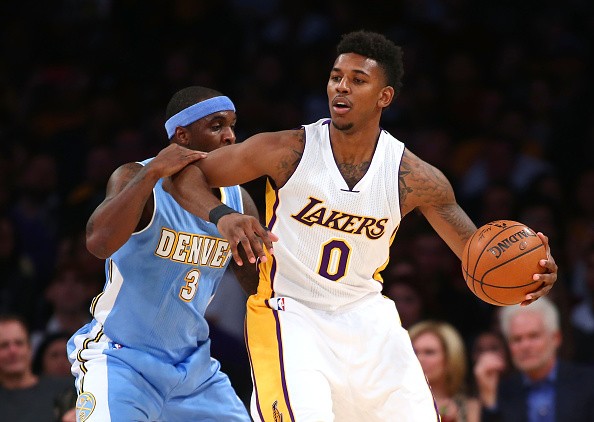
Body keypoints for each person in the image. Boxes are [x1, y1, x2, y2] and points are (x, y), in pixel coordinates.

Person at [178, 30, 558, 421]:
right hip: (292, 313)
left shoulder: (414, 177)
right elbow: (185, 174)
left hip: (369, 319)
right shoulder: (285, 150)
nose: (341, 87)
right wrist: (221, 215)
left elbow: (478, 254)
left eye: (358, 80)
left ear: (384, 97)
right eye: (336, 76)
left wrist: (533, 276)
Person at [67, 86, 276, 421]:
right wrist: (152, 173)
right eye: (216, 126)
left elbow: (258, 287)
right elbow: (98, 243)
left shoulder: (237, 200)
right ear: (182, 135)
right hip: (124, 359)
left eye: (232, 126)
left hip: (193, 369)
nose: (230, 136)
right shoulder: (135, 176)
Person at [474, 296, 594, 421]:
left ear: (556, 338)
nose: (525, 346)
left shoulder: (588, 383)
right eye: (517, 339)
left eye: (534, 336)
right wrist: (489, 401)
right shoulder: (501, 392)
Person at [0, 314, 74, 422]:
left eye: (19, 343)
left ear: (30, 348)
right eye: (4, 345)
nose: (13, 351)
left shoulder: (66, 391)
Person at [409, 320, 481, 422]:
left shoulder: (470, 408)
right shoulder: (394, 402)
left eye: (429, 352)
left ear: (450, 358)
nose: (419, 359)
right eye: (414, 352)